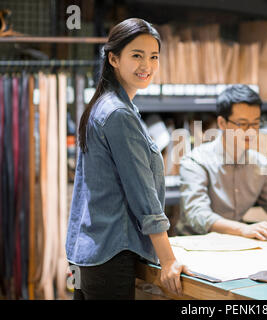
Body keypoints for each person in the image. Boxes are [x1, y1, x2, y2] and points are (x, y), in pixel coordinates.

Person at [66, 18, 191, 300]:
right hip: (111, 256)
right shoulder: (117, 114)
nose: (146, 65)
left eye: (153, 56)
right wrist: (168, 260)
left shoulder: (104, 106)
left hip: (90, 252)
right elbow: (142, 195)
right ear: (113, 58)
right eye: (136, 55)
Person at [176, 84, 267, 241]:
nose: (251, 131)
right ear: (222, 123)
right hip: (195, 244)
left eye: (255, 123)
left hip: (236, 243)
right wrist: (243, 229)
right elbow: (198, 215)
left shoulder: (259, 164)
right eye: (242, 124)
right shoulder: (195, 161)